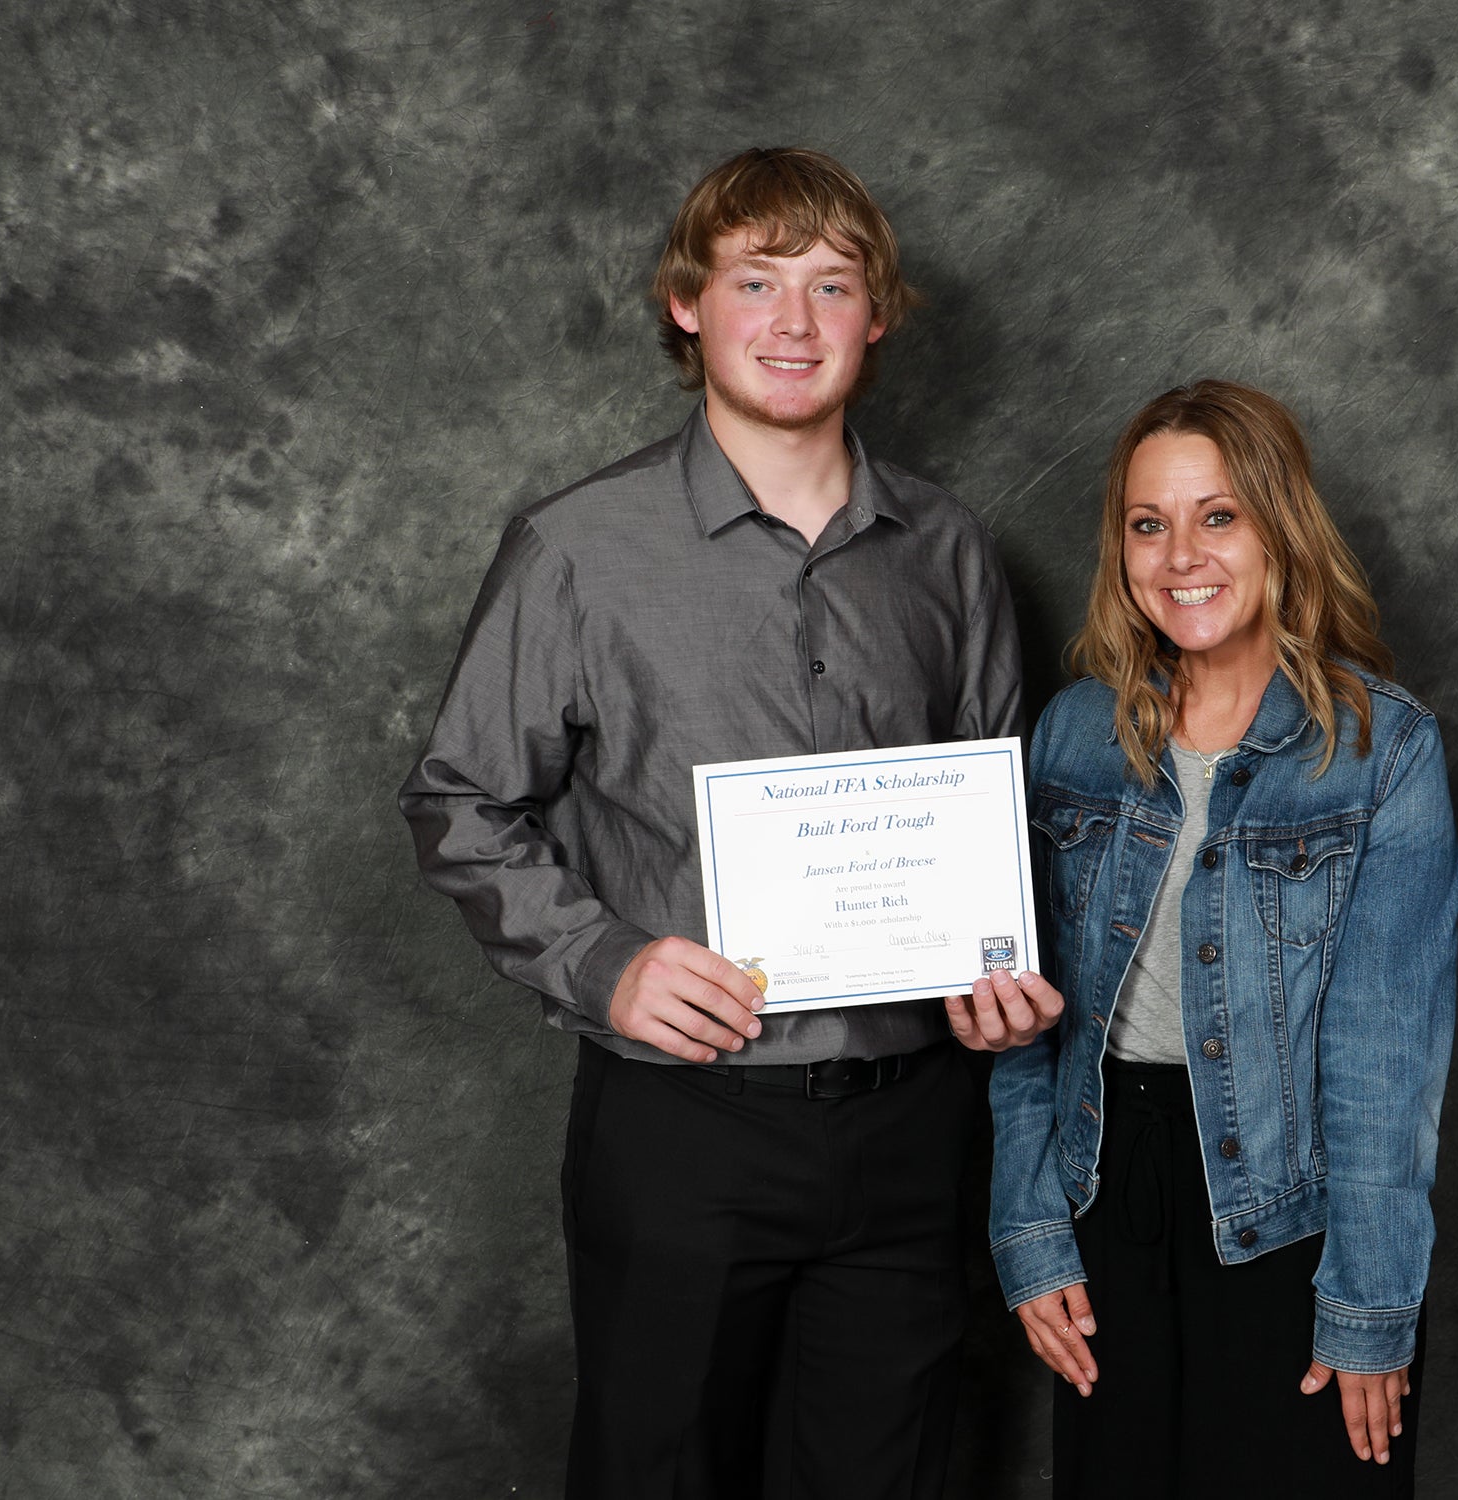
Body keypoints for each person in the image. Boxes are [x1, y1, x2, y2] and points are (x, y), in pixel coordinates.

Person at [398, 146, 1062, 1500]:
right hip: (683, 1126)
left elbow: (1003, 816)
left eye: (833, 284)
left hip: (913, 1129)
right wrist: (603, 962)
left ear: (879, 316)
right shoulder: (579, 548)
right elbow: (459, 798)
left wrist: (1006, 975)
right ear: (688, 303)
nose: (794, 320)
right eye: (757, 280)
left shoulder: (949, 551)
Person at [987, 379, 1458, 1496]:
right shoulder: (1074, 734)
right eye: (1148, 524)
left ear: (1278, 530)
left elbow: (1386, 1063)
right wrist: (1031, 1232)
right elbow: (1023, 1020)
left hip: (1299, 1217)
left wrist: (1368, 1307)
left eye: (1219, 516)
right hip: (1106, 1194)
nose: (1182, 556)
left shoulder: (1379, 750)